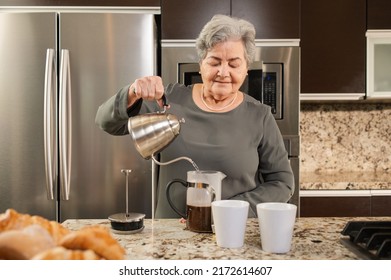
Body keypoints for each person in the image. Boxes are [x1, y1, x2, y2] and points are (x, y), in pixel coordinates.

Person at [95, 14, 294, 218]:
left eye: (234, 64)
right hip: (171, 236)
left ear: (246, 70)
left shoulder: (259, 116)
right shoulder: (168, 100)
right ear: (201, 64)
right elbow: (106, 122)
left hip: (233, 232)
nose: (223, 72)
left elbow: (282, 182)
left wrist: (230, 210)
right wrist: (132, 92)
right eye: (215, 62)